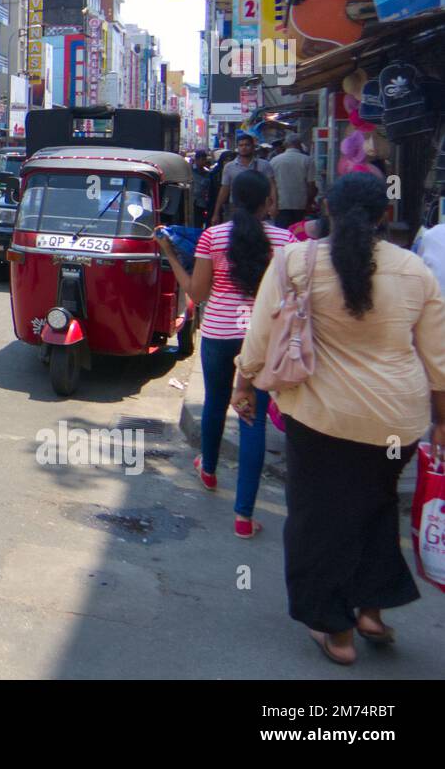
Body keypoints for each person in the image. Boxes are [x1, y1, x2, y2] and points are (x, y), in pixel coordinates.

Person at [234, 172, 445, 666]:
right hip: (397, 421)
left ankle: (339, 632)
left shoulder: (295, 261)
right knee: (375, 507)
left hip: (321, 417)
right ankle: (371, 610)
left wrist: (244, 383)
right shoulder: (415, 270)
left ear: (325, 208)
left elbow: (262, 336)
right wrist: (442, 421)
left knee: (319, 520)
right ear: (385, 216)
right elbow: (438, 359)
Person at [158, 169, 293, 538]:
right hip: (261, 339)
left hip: (219, 333)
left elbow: (197, 294)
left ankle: (209, 470)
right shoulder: (285, 241)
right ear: (268, 201)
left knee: (216, 403)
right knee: (253, 419)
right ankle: (244, 517)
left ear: (233, 200)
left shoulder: (213, 237)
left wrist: (170, 254)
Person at [211, 133, 277, 225]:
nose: (244, 148)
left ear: (253, 147)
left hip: (259, 207)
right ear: (237, 147)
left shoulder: (264, 165)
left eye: (247, 145)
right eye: (241, 145)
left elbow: (272, 186)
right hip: (236, 207)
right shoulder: (229, 167)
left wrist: (274, 205)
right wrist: (216, 212)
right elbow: (224, 189)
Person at [270, 133, 317, 229]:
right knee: (298, 232)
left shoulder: (274, 161)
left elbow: (271, 185)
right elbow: (311, 185)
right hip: (300, 204)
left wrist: (272, 204)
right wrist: (309, 202)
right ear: (300, 144)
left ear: (285, 144)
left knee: (282, 232)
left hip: (281, 204)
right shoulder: (307, 160)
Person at [191, 149, 212, 228]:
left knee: (199, 223)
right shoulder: (190, 170)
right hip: (191, 202)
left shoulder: (207, 174)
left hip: (201, 203)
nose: (203, 162)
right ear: (196, 160)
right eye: (201, 160)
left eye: (204, 160)